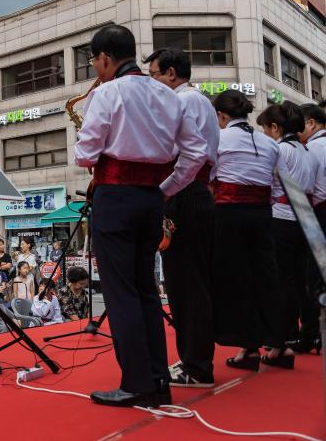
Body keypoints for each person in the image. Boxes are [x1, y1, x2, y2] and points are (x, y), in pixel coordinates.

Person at [74, 25, 207, 408]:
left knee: (121, 294)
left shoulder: (107, 92)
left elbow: (85, 155)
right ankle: (158, 380)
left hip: (115, 199)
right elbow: (196, 153)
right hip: (151, 199)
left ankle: (137, 382)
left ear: (103, 58)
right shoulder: (169, 95)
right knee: (147, 291)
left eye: (94, 61)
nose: (95, 68)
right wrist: (165, 188)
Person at [143, 47, 220, 387]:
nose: (153, 82)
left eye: (155, 75)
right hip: (195, 192)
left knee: (186, 283)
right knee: (190, 282)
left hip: (183, 192)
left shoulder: (183, 101)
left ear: (171, 74)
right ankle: (194, 359)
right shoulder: (198, 101)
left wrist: (162, 190)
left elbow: (177, 153)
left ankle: (197, 365)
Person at [209, 90, 284, 373]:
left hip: (228, 214)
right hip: (262, 213)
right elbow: (278, 188)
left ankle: (248, 346)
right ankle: (278, 342)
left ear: (222, 116)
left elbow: (211, 176)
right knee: (266, 276)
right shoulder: (269, 144)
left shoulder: (219, 138)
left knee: (236, 280)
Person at [256, 101, 316, 369]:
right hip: (305, 217)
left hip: (281, 215)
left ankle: (283, 338)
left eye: (266, 129)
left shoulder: (279, 150)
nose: (266, 135)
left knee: (281, 281)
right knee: (300, 280)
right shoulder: (307, 151)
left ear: (275, 127)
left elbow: (268, 185)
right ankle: (303, 333)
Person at [292, 104, 326, 354]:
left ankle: (311, 333)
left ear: (311, 123)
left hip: (317, 213)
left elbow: (306, 187)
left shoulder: (311, 149)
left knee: (310, 276)